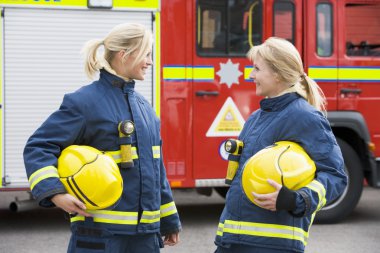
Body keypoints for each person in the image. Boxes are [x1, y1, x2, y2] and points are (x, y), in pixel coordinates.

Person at [23, 23, 181, 253]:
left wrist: (169, 220)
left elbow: (157, 172)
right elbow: (39, 147)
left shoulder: (147, 111)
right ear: (124, 55)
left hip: (144, 239)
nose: (150, 61)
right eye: (146, 54)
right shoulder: (85, 103)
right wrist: (55, 193)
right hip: (99, 237)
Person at [214, 37, 347, 253]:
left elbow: (335, 176)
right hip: (234, 241)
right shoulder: (256, 117)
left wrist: (297, 199)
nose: (251, 75)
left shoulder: (306, 117)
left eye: (256, 69)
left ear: (277, 74)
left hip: (272, 245)